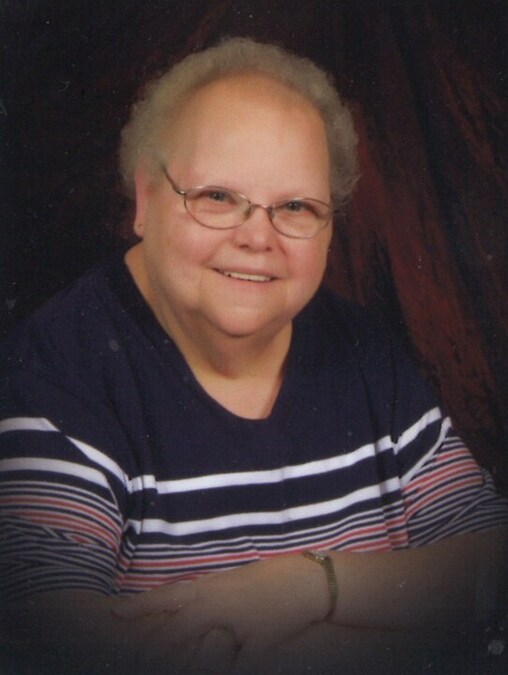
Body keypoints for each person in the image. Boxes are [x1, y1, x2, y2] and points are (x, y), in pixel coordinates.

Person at [0, 37, 507, 675]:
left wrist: (309, 586)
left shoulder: (365, 352)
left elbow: (491, 573)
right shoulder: (55, 376)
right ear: (146, 198)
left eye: (295, 206)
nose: (256, 237)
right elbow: (61, 650)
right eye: (216, 197)